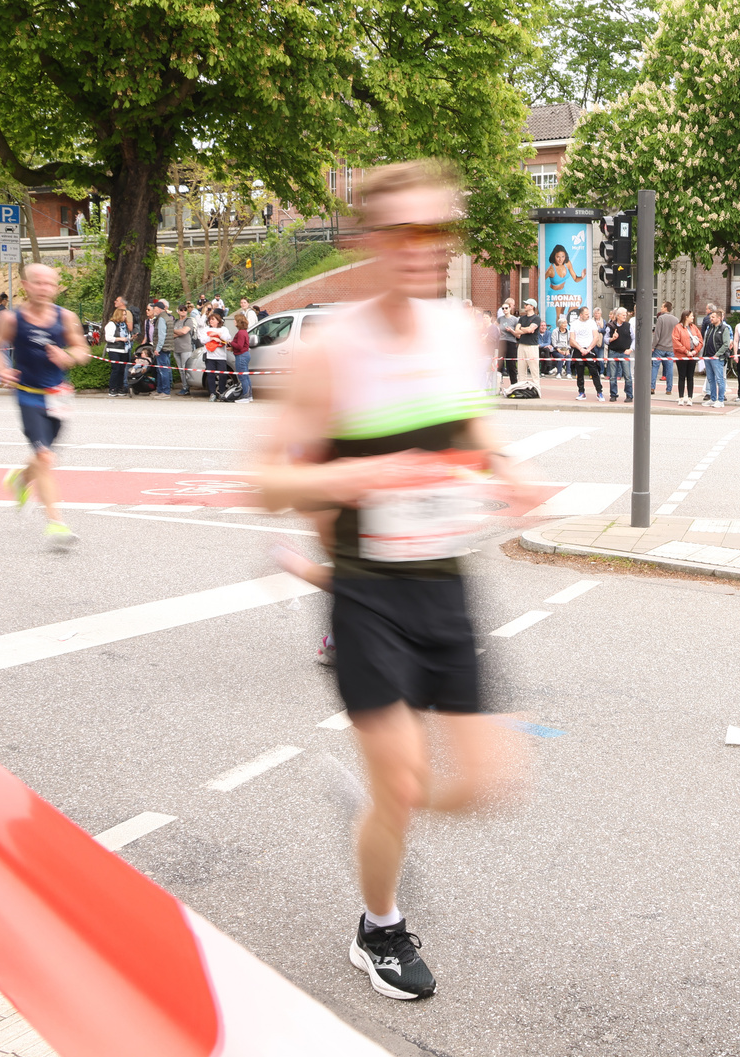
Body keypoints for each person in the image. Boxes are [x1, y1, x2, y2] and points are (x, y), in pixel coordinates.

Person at [256, 159, 524, 1003]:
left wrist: (505, 474)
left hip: (446, 584)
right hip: (367, 591)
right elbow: (266, 482)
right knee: (402, 786)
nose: (426, 249)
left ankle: (374, 815)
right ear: (368, 242)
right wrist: (362, 479)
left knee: (488, 786)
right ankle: (379, 926)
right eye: (405, 232)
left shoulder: (460, 330)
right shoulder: (327, 352)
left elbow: (475, 435)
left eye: (440, 231)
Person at [0, 262, 89, 547]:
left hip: (58, 395)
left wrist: (69, 356)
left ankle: (20, 480)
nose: (44, 288)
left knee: (45, 456)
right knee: (44, 457)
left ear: (56, 287)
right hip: (28, 393)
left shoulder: (65, 317)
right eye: (38, 283)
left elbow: (83, 350)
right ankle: (56, 523)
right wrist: (1, 368)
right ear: (25, 286)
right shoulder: (11, 318)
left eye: (50, 283)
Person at [570, 305, 602, 401]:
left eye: (589, 314)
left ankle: (599, 392)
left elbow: (596, 337)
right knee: (579, 373)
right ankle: (581, 392)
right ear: (581, 315)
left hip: (589, 349)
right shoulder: (574, 324)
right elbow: (572, 339)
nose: (588, 316)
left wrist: (588, 349)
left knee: (594, 372)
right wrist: (580, 348)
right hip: (578, 349)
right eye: (586, 314)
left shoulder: (592, 323)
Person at [701, 309, 731, 408]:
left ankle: (721, 400)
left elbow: (726, 344)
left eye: (713, 317)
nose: (711, 319)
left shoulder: (724, 328)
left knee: (719, 379)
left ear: (719, 318)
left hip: (717, 358)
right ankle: (713, 398)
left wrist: (718, 354)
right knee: (710, 379)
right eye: (710, 317)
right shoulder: (710, 328)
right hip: (708, 357)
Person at [105, 296, 133, 397]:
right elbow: (108, 337)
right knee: (116, 369)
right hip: (114, 349)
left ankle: (120, 387)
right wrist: (120, 339)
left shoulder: (124, 325)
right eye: (124, 315)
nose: (125, 317)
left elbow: (127, 335)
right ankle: (112, 388)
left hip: (124, 349)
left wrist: (129, 338)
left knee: (122, 369)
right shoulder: (111, 325)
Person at [202, 311, 233, 401]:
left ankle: (222, 392)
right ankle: (212, 393)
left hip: (221, 356)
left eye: (213, 319)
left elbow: (228, 339)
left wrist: (219, 335)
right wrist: (211, 338)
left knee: (222, 375)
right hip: (210, 356)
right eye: (210, 320)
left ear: (218, 321)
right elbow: (202, 340)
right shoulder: (206, 329)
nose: (211, 321)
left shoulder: (223, 329)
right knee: (210, 375)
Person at [673, 309, 701, 405]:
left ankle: (690, 398)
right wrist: (686, 351)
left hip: (692, 355)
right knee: (681, 376)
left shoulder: (694, 328)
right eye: (691, 316)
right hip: (681, 355)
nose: (693, 317)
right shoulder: (678, 328)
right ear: (686, 317)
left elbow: (700, 340)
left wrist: (695, 351)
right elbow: (676, 341)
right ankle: (681, 397)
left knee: (690, 376)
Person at [605, 308, 634, 402]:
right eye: (623, 315)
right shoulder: (610, 326)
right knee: (613, 376)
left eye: (625, 314)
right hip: (613, 352)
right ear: (618, 316)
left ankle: (629, 395)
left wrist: (631, 349)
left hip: (624, 353)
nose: (625, 316)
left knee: (628, 376)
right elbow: (605, 340)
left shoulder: (628, 326)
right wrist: (612, 339)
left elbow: (634, 338)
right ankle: (613, 394)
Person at [652, 301, 678, 396]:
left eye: (662, 306)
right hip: (670, 348)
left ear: (666, 308)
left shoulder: (661, 319)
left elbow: (657, 334)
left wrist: (653, 346)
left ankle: (652, 387)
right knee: (669, 368)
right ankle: (669, 389)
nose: (660, 308)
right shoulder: (676, 320)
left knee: (655, 367)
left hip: (660, 347)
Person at [514, 301, 541, 386]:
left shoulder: (536, 318)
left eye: (526, 304)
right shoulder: (522, 318)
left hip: (532, 346)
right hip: (521, 345)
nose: (524, 306)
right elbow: (516, 331)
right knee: (521, 369)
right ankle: (522, 387)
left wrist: (522, 329)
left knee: (534, 369)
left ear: (532, 306)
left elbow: (530, 329)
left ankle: (536, 387)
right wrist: (526, 329)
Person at [231, 311, 253, 402]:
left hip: (241, 356)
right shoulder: (244, 332)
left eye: (235, 320)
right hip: (245, 354)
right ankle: (249, 395)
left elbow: (239, 346)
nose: (233, 321)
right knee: (246, 376)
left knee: (242, 377)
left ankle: (245, 396)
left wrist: (230, 342)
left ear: (238, 322)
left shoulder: (240, 333)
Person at [496, 299, 518, 386]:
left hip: (511, 342)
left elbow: (517, 333)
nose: (504, 310)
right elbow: (496, 325)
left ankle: (514, 384)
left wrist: (511, 330)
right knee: (500, 363)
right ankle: (498, 384)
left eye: (506, 308)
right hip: (502, 341)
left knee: (511, 364)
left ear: (510, 309)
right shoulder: (500, 319)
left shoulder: (515, 320)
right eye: (503, 308)